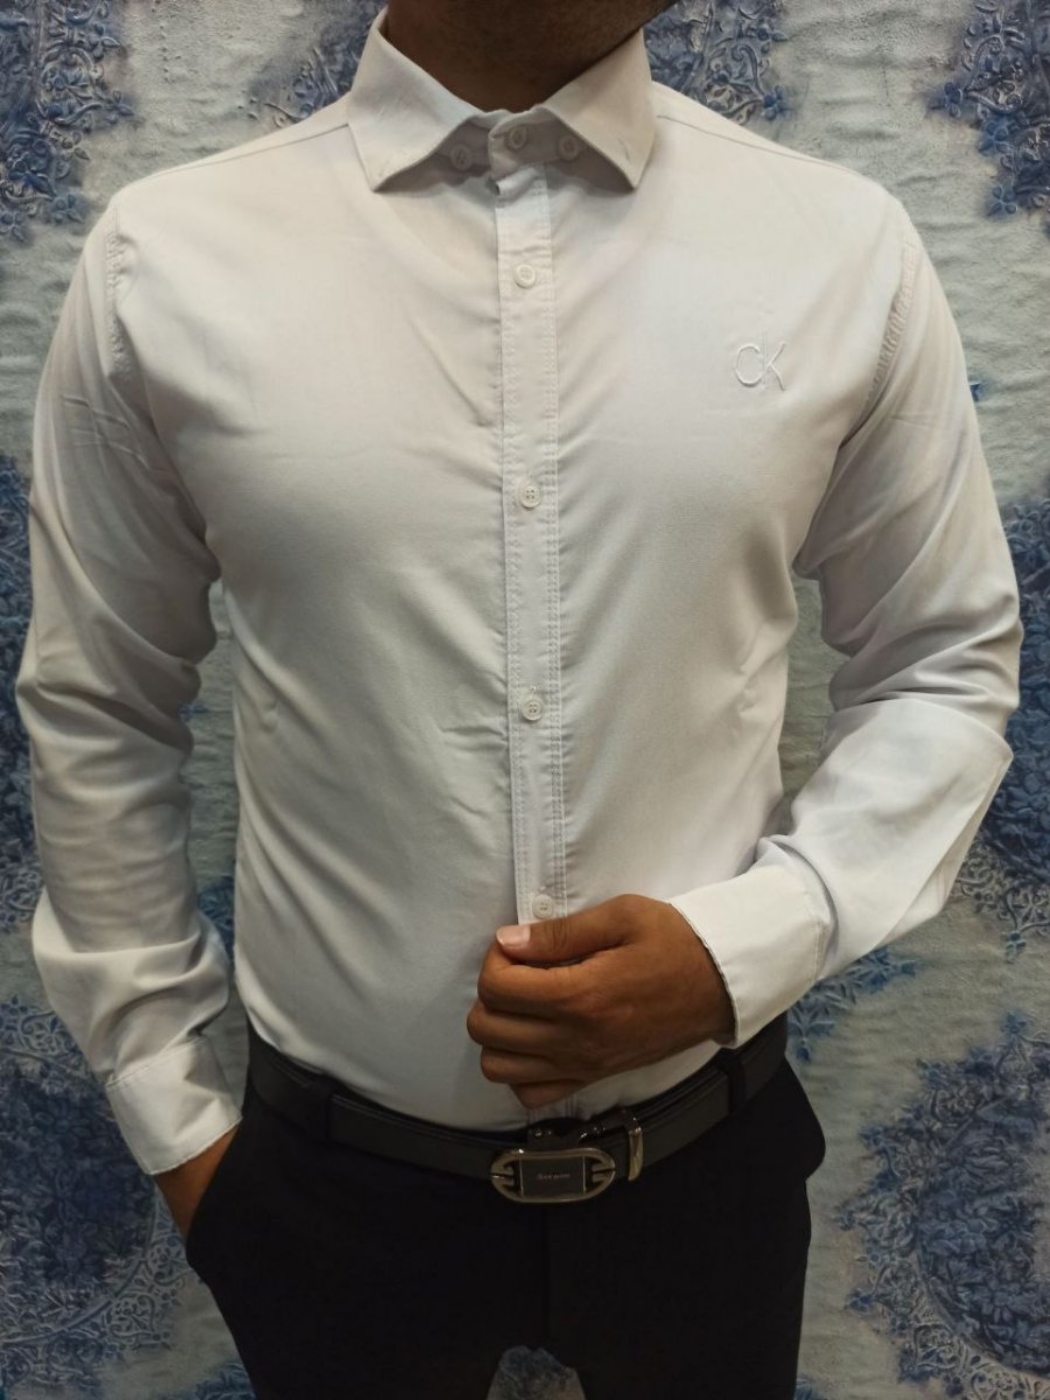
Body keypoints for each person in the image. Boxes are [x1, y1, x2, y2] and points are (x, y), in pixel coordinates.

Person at [15, 1, 1022, 1397]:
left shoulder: (838, 248)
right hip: (323, 1208)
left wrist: (744, 947)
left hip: (709, 1183)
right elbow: (98, 703)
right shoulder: (165, 260)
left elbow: (942, 658)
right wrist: (181, 1129)